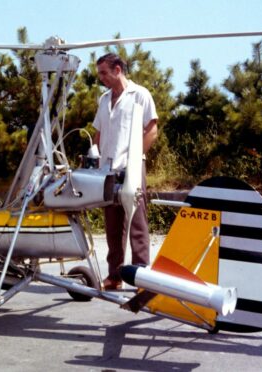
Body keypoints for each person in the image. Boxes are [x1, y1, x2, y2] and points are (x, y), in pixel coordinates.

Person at [92, 53, 158, 290]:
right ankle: (115, 276)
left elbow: (151, 131)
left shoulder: (140, 95)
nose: (101, 78)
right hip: (107, 169)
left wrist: (135, 159)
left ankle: (142, 278)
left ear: (117, 69)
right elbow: (98, 135)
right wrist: (95, 161)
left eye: (103, 73)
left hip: (131, 166)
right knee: (112, 225)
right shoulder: (103, 99)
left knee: (137, 222)